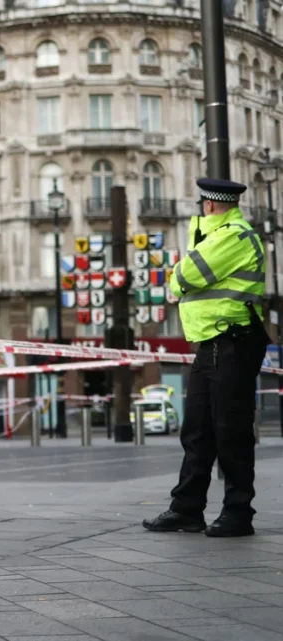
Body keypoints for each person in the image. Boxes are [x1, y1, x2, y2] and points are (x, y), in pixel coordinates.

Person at [143, 177, 269, 538]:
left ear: (209, 205)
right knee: (196, 431)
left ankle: (238, 512)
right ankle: (186, 510)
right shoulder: (213, 235)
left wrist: (177, 277)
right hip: (210, 345)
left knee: (232, 432)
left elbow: (185, 275)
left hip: (232, 342)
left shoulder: (233, 235)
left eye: (203, 204)